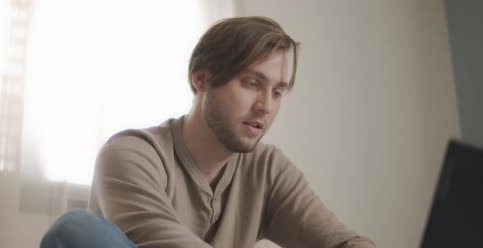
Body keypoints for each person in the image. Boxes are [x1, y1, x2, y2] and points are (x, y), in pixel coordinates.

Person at [42, 16, 375, 248]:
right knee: (76, 230)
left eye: (278, 92)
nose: (266, 106)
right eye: (252, 83)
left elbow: (345, 243)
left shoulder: (268, 170)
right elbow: (162, 243)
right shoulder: (132, 153)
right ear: (201, 80)